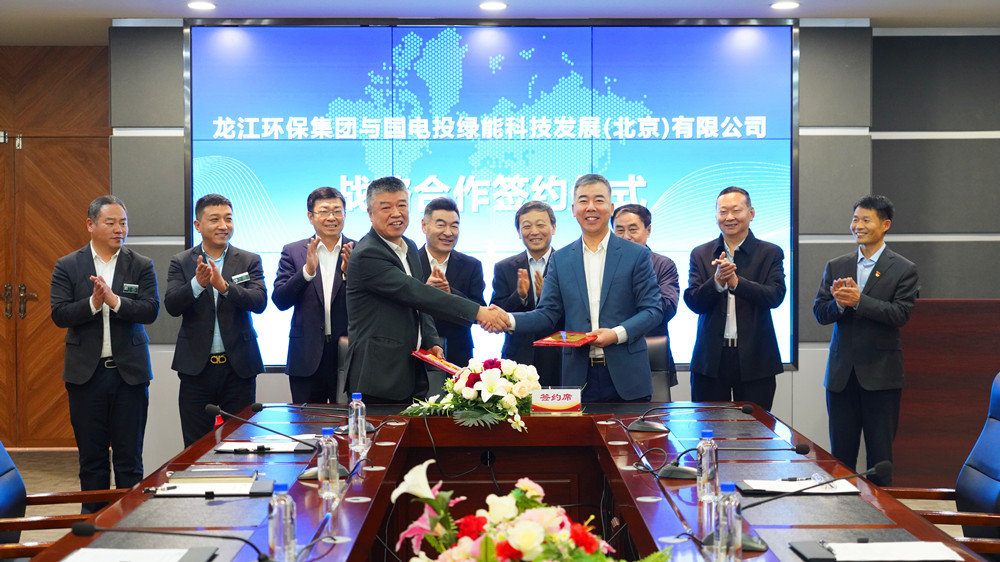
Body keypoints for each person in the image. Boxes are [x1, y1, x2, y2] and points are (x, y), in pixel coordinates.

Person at [489, 174, 663, 402]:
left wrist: (616, 334)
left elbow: (652, 310)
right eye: (583, 201)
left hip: (627, 375)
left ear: (611, 208)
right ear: (573, 209)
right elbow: (547, 314)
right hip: (577, 377)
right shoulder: (561, 259)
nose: (591, 207)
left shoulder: (636, 254)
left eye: (598, 200)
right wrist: (508, 320)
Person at [344, 176, 506, 403]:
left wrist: (432, 342)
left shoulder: (409, 246)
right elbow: (416, 292)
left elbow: (419, 305)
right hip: (378, 374)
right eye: (386, 207)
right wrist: (479, 312)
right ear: (370, 213)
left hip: (411, 370)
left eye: (402, 205)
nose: (396, 213)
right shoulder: (367, 254)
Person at [50, 195, 159, 513]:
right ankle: (94, 525)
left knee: (129, 458)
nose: (119, 229)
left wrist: (115, 301)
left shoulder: (140, 264)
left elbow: (150, 310)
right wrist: (93, 304)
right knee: (92, 458)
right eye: (111, 222)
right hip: (86, 376)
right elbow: (59, 314)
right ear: (91, 224)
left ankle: (131, 522)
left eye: (123, 222)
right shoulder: (68, 265)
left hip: (129, 376)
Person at [814, 195, 918, 487]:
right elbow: (820, 313)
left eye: (865, 220)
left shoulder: (904, 268)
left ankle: (881, 514)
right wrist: (839, 304)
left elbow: (900, 314)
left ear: (885, 225)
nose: (857, 226)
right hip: (841, 378)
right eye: (855, 219)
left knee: (880, 461)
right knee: (841, 459)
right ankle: (843, 512)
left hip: (881, 378)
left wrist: (860, 301)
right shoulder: (837, 265)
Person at [164, 194, 267, 447]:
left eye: (228, 219)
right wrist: (196, 285)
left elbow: (259, 301)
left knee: (241, 443)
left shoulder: (249, 260)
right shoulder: (181, 261)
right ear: (198, 225)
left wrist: (225, 288)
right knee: (196, 446)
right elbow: (172, 305)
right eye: (215, 219)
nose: (223, 225)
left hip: (238, 368)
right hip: (196, 369)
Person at [683, 186, 785, 411]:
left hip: (756, 359)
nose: (729, 217)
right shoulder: (701, 253)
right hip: (710, 359)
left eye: (736, 210)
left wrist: (737, 282)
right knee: (708, 425)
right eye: (723, 211)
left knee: (755, 426)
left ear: (751, 213)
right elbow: (693, 302)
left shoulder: (770, 252)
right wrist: (717, 281)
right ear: (716, 216)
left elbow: (775, 296)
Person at [272, 187, 354, 403]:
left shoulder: (359, 250)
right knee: (306, 421)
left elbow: (371, 302)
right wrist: (307, 271)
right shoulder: (293, 251)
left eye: (337, 211)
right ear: (310, 216)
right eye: (324, 211)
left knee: (348, 420)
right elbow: (280, 300)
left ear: (345, 214)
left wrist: (350, 275)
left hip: (348, 353)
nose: (331, 218)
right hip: (306, 355)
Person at [490, 200, 562, 388]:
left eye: (540, 225)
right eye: (527, 226)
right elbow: (496, 312)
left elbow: (578, 313)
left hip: (558, 360)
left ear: (553, 227)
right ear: (519, 231)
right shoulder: (504, 267)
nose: (534, 231)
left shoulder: (567, 264)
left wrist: (549, 297)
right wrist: (519, 296)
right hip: (517, 361)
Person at [612, 203, 679, 386]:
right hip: (610, 355)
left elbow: (667, 308)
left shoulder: (664, 265)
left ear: (648, 230)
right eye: (619, 230)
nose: (626, 236)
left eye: (633, 229)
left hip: (650, 354)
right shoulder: (602, 266)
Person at [417, 197, 486, 368]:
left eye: (454, 226)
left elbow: (479, 312)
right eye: (441, 225)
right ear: (424, 226)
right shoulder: (410, 261)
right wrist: (424, 292)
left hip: (458, 353)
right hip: (417, 350)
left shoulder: (472, 265)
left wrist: (450, 294)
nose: (448, 232)